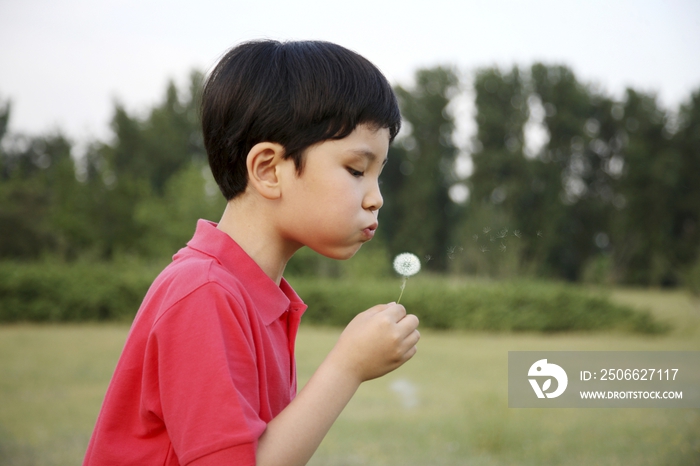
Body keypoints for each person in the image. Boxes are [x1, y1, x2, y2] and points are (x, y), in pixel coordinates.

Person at [83, 40, 420, 466]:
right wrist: (346, 367)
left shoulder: (259, 296)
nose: (376, 199)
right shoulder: (203, 293)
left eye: (378, 174)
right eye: (356, 170)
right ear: (267, 170)